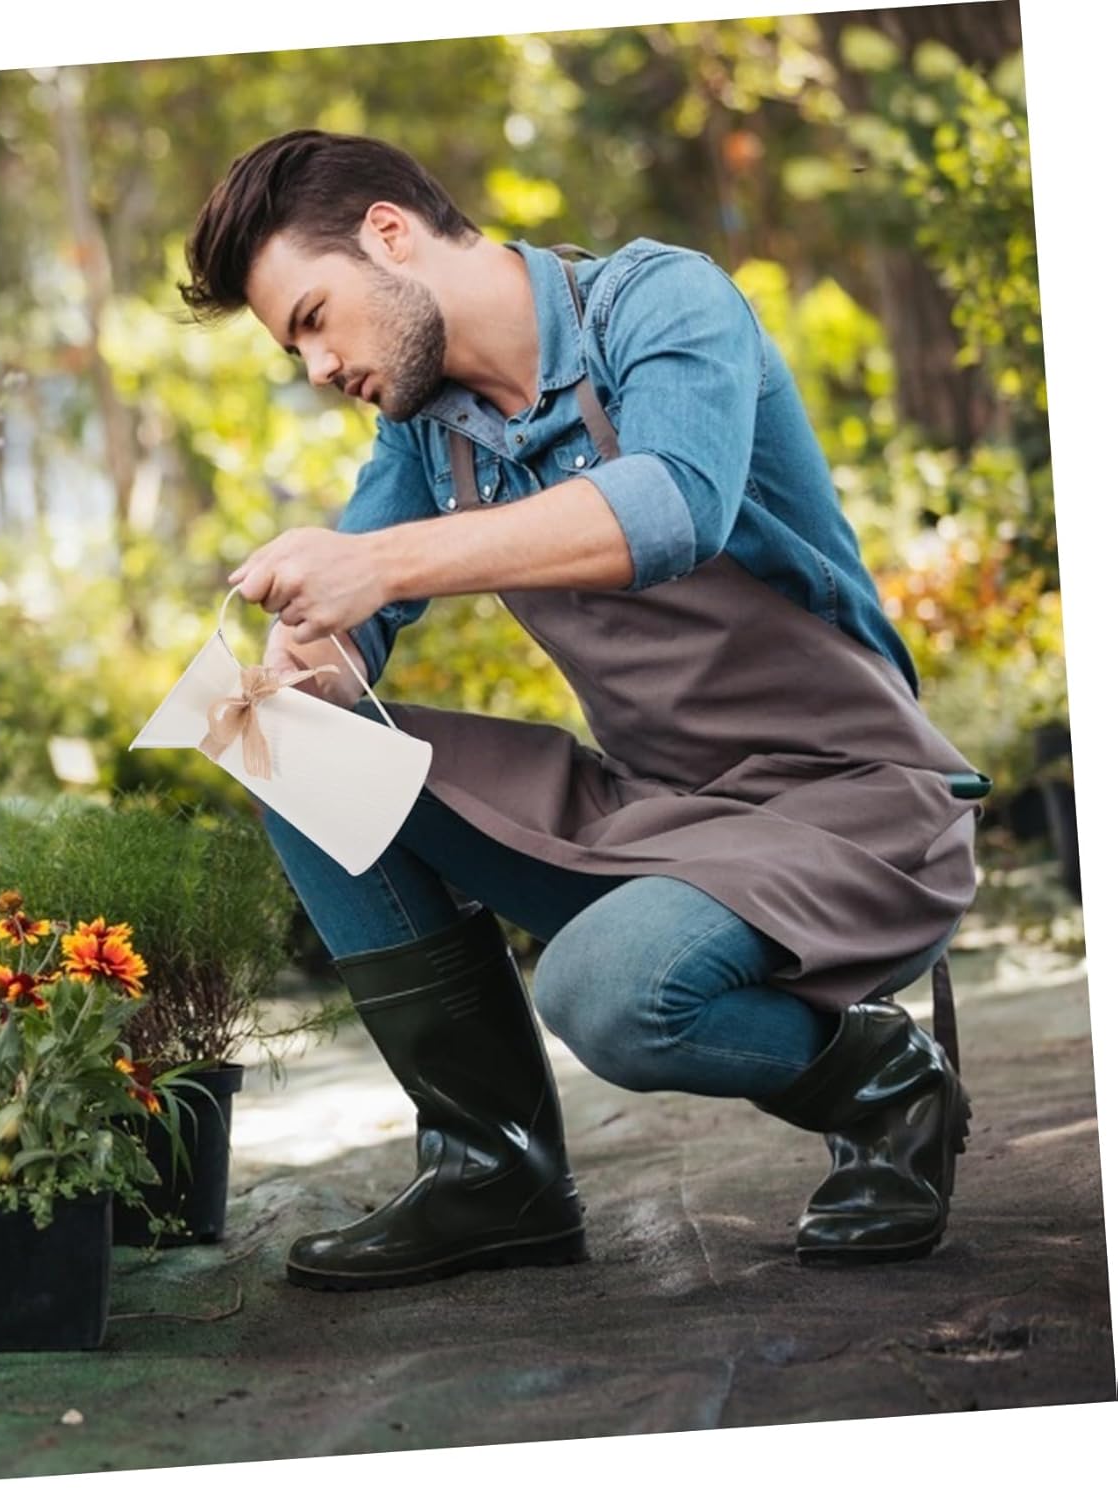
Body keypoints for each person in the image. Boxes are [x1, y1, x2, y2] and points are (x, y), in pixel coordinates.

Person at [179, 128, 982, 1292]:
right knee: (286, 747)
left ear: (389, 234)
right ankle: (495, 1173)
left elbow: (671, 508)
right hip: (661, 811)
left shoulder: (660, 304)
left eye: (311, 317)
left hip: (847, 803)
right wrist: (314, 658)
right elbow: (352, 601)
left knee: (606, 994)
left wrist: (389, 566)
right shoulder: (427, 428)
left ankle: (880, 1078)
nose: (314, 366)